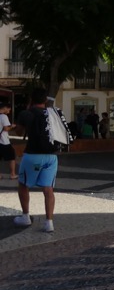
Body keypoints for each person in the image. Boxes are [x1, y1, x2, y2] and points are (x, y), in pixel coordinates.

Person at [13, 88, 62, 232]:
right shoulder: (52, 114)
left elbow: (19, 132)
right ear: (45, 100)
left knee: (23, 185)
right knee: (48, 189)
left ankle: (25, 216)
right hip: (52, 156)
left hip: (32, 155)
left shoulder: (26, 113)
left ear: (31, 100)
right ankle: (49, 223)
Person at [0, 102, 17, 179]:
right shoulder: (3, 116)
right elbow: (6, 128)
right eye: (9, 110)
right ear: (5, 108)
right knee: (12, 157)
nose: (9, 111)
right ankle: (12, 174)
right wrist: (12, 126)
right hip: (4, 141)